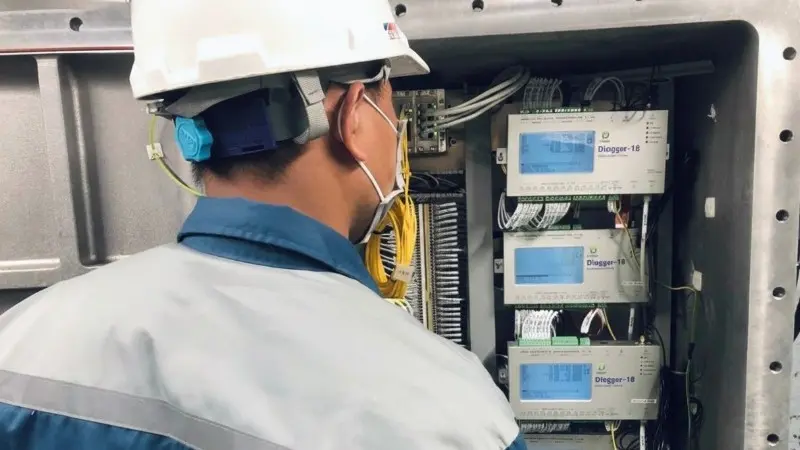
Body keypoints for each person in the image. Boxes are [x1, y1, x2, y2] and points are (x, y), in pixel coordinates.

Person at [0, 0, 526, 449]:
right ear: (353, 117)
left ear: (189, 132)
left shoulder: (23, 342)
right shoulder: (457, 413)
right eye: (390, 103)